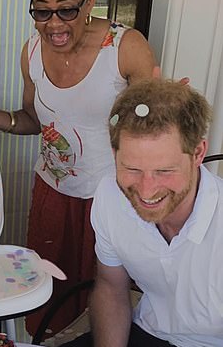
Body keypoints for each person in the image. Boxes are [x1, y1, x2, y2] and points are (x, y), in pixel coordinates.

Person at [0, 0, 156, 335]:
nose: (53, 23)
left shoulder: (125, 48)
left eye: (66, 10)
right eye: (42, 12)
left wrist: (166, 111)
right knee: (50, 299)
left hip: (112, 198)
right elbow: (33, 120)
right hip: (53, 194)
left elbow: (151, 127)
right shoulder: (31, 52)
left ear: (89, 2)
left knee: (108, 297)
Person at [79, 79, 222, 347]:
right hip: (150, 332)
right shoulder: (110, 194)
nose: (146, 190)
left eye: (164, 171)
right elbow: (111, 286)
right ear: (115, 154)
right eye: (132, 168)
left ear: (198, 153)